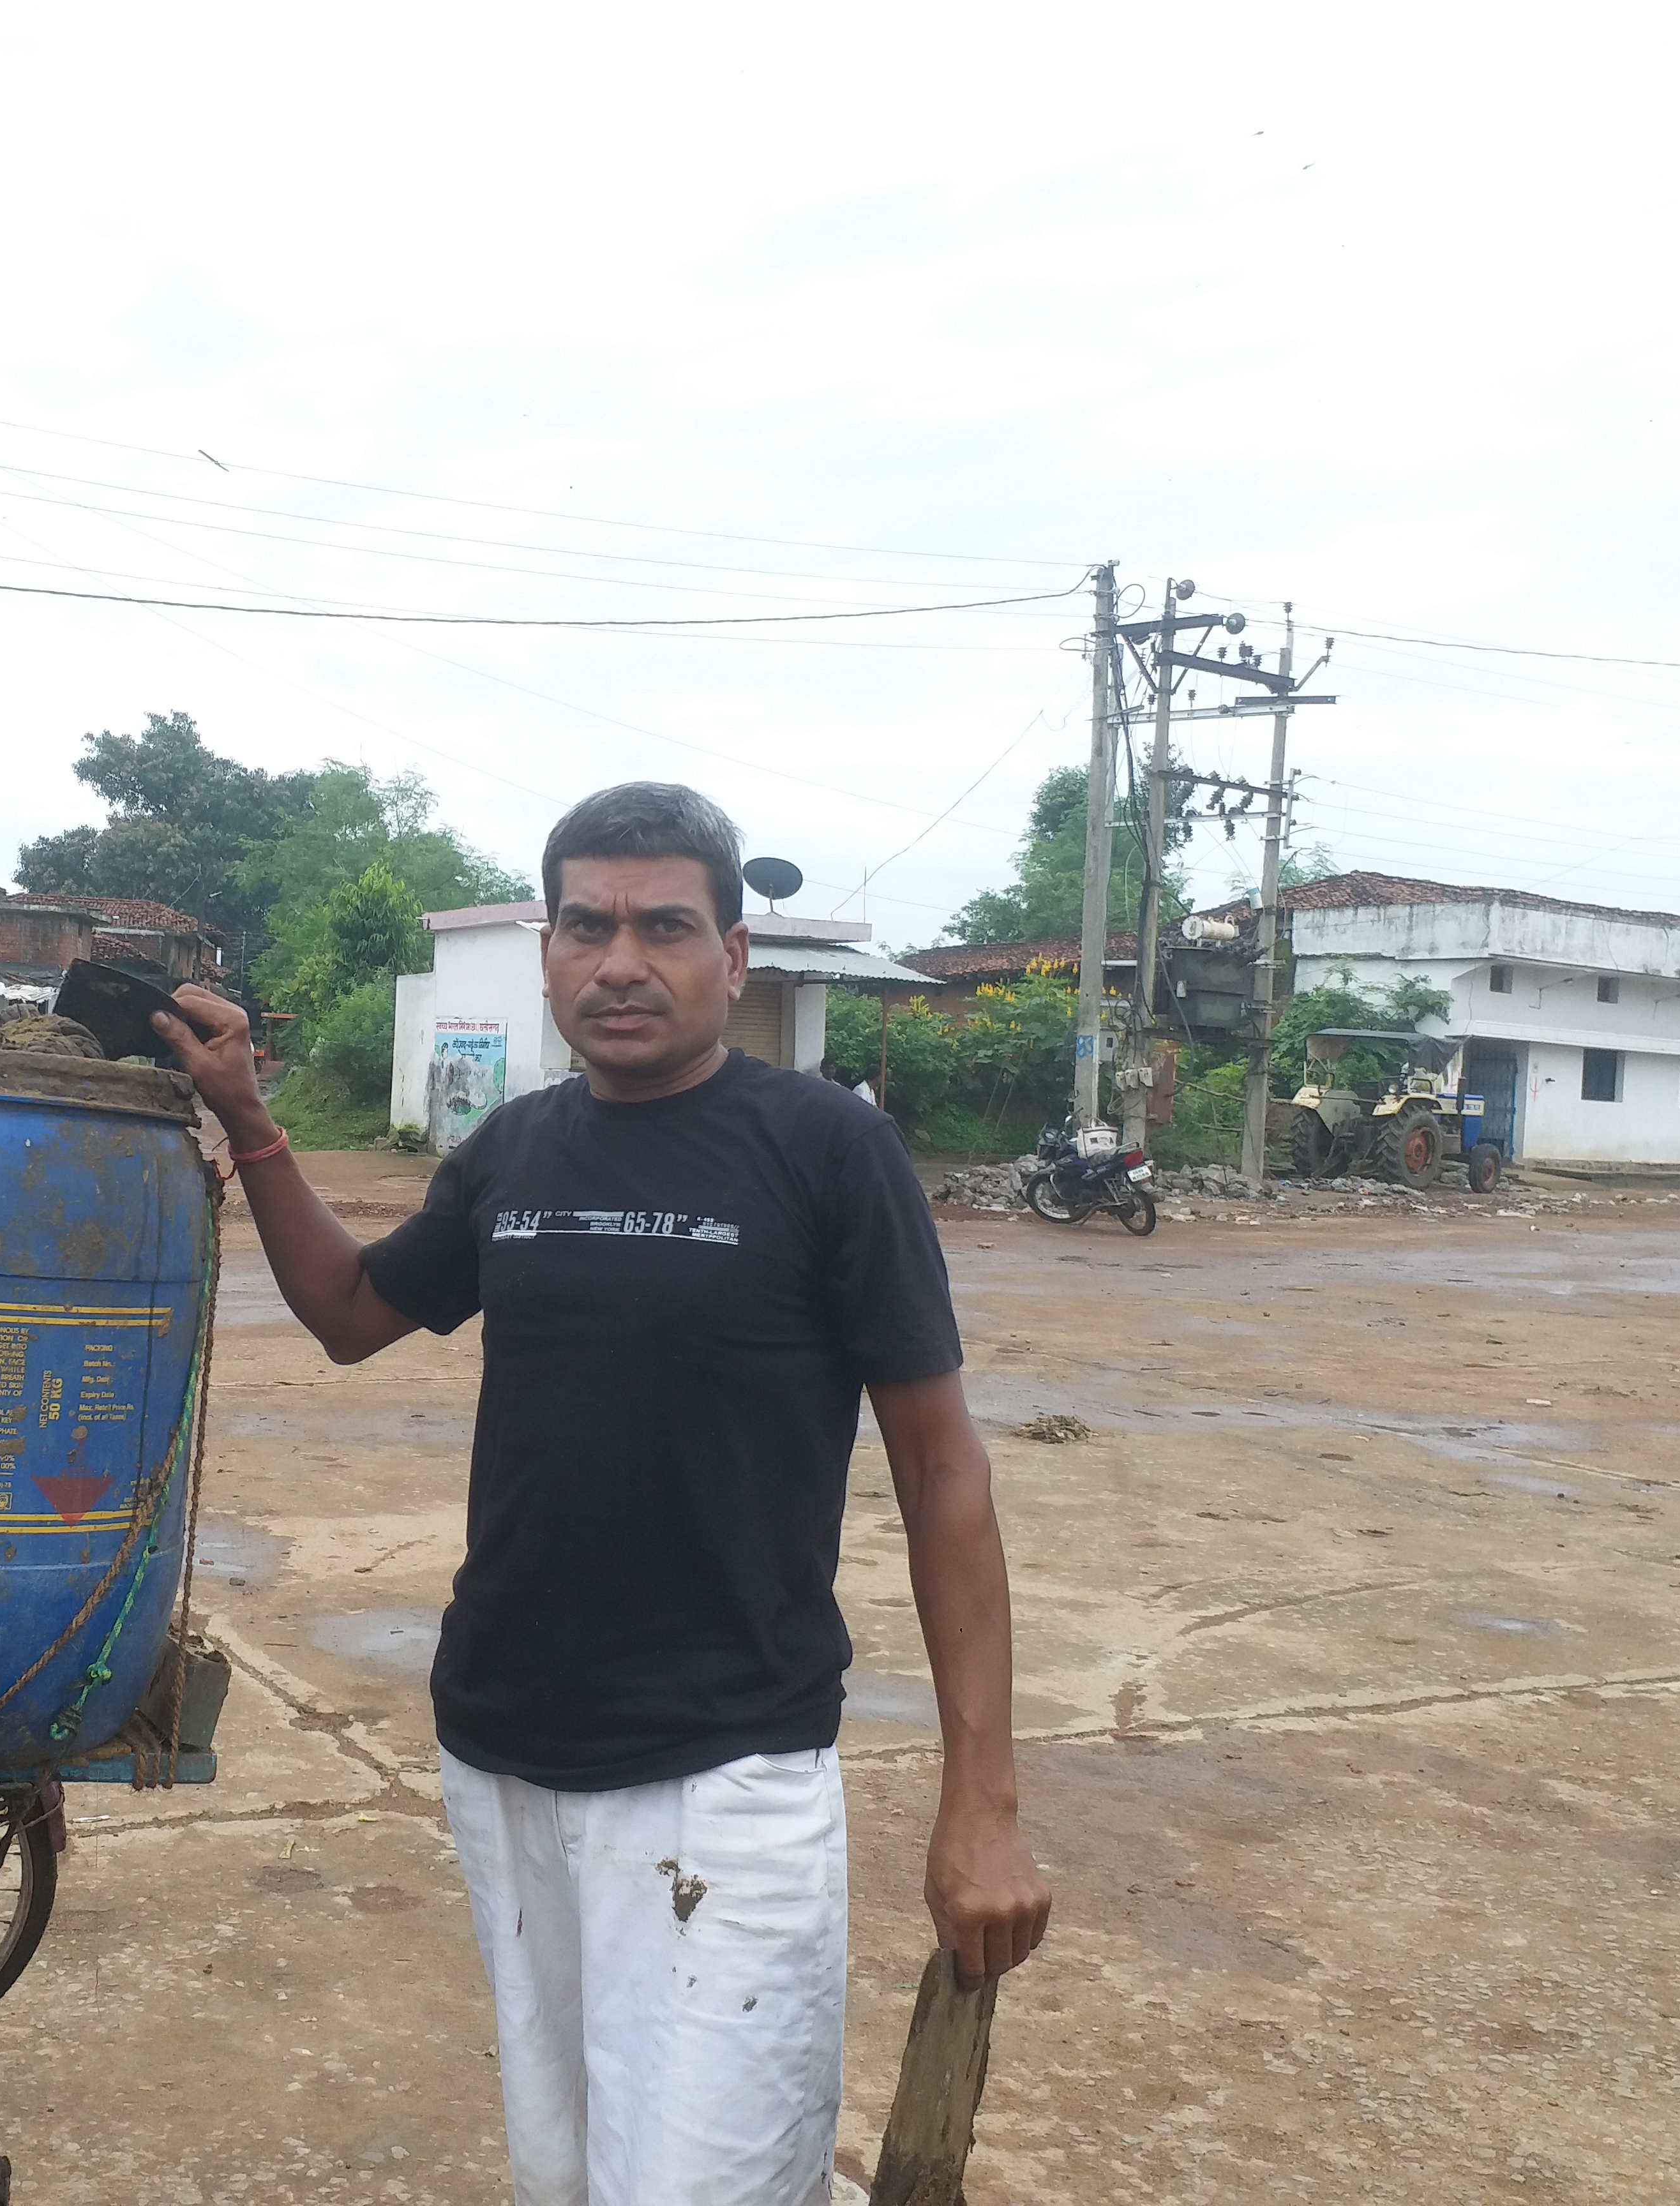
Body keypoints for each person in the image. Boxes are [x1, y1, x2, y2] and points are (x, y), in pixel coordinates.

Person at [156, 783, 1047, 2206]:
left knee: (711, 2183)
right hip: (501, 1752)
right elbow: (351, 1309)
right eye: (586, 925)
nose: (620, 960)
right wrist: (251, 1119)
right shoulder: (519, 1148)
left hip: (723, 1774)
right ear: (549, 950)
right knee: (563, 2173)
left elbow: (943, 1469)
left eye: (664, 926)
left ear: (734, 958)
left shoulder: (826, 1151)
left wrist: (982, 1803)